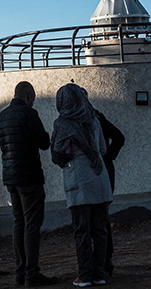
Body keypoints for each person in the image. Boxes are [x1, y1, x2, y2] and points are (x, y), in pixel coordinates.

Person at [0, 81, 57, 287]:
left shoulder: (1, 117)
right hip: (29, 177)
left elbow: (3, 145)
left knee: (18, 223)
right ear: (29, 96)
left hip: (10, 178)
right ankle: (32, 273)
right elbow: (44, 143)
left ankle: (20, 272)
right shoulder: (29, 114)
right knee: (31, 226)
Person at [51, 84, 112, 288]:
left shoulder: (62, 124)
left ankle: (84, 276)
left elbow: (57, 153)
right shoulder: (93, 119)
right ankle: (99, 274)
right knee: (100, 229)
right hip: (100, 178)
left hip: (78, 179)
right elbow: (103, 148)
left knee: (82, 230)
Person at [93, 109, 124, 277]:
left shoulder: (94, 118)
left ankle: (104, 258)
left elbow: (119, 137)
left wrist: (107, 159)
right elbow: (119, 137)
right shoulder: (96, 117)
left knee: (99, 218)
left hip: (99, 174)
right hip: (104, 174)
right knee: (102, 217)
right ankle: (105, 259)